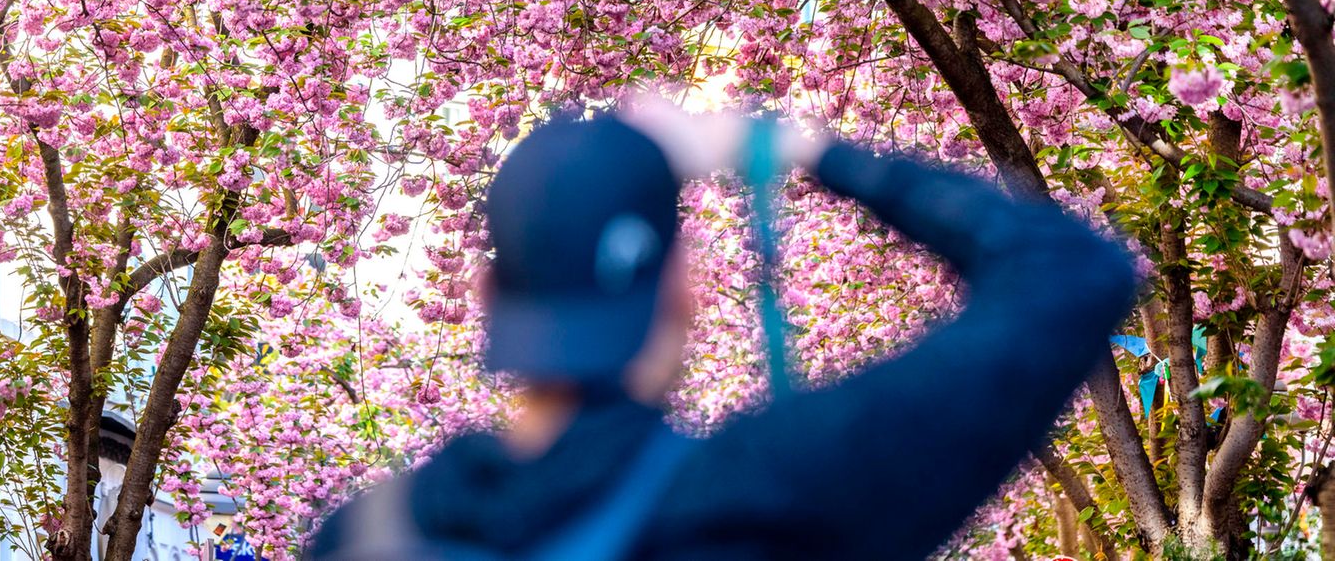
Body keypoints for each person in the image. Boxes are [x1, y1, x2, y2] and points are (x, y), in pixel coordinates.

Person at [306, 101, 1137, 560]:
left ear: (486, 292)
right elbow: (1073, 273)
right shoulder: (764, 492)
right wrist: (808, 152)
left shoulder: (363, 534)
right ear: (681, 287)